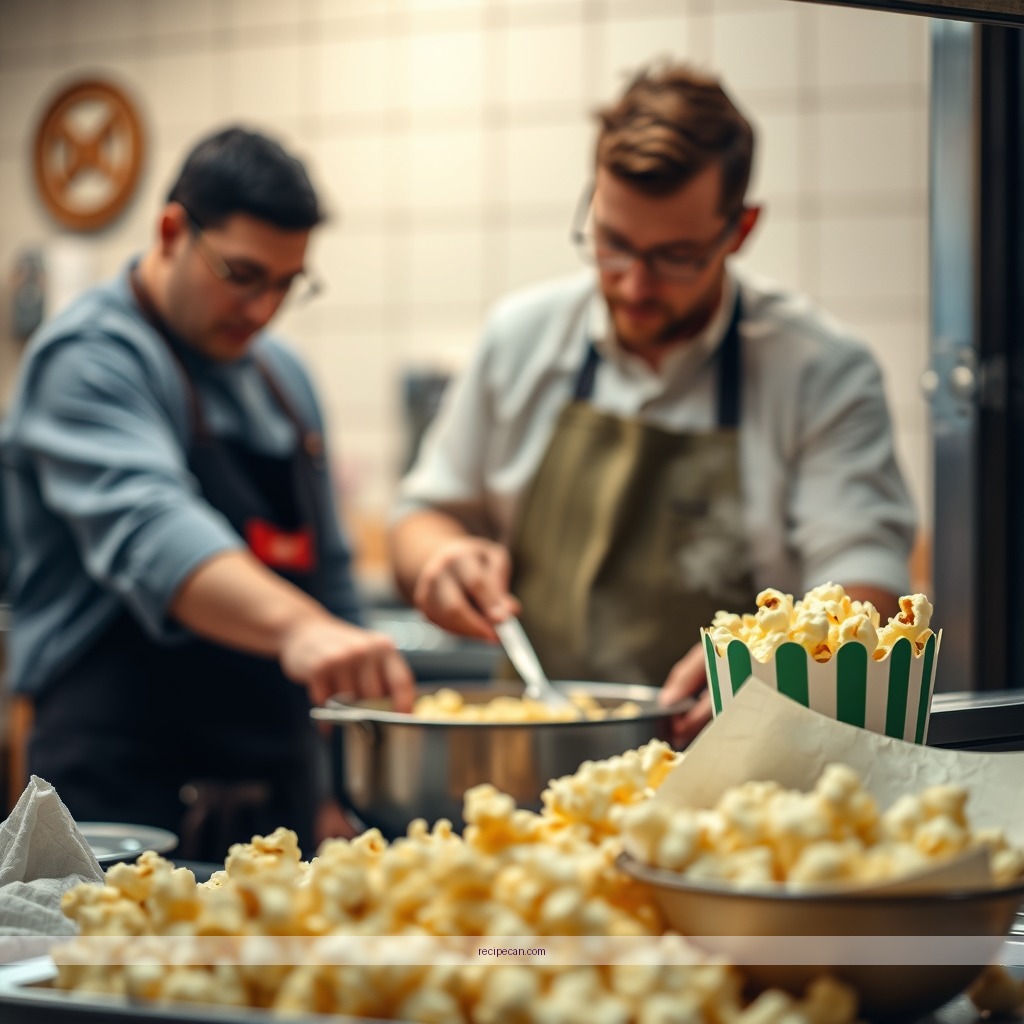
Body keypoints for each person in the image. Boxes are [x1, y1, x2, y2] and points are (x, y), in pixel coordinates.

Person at [388, 63, 916, 744]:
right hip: (534, 764)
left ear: (740, 229)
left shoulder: (821, 370)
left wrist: (768, 659)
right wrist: (440, 560)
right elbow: (421, 517)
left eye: (675, 257)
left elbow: (867, 583)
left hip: (739, 766)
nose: (635, 286)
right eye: (613, 244)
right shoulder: (520, 338)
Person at [0, 127, 414, 859]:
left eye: (287, 284)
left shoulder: (282, 378)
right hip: (115, 796)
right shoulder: (88, 357)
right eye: (242, 273)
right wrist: (298, 630)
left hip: (272, 799)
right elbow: (153, 532)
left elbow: (331, 581)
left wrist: (337, 784)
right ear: (170, 231)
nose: (262, 309)